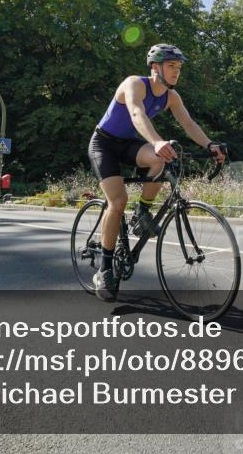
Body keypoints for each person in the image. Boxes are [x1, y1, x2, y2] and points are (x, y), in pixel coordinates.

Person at [87, 44, 225, 302]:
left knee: (160, 161)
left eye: (179, 67)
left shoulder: (172, 96)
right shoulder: (134, 84)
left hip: (128, 145)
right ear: (155, 67)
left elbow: (188, 124)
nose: (177, 72)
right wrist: (157, 141)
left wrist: (209, 145)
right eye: (172, 66)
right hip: (103, 144)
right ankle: (105, 269)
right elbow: (136, 112)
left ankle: (142, 212)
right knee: (117, 202)